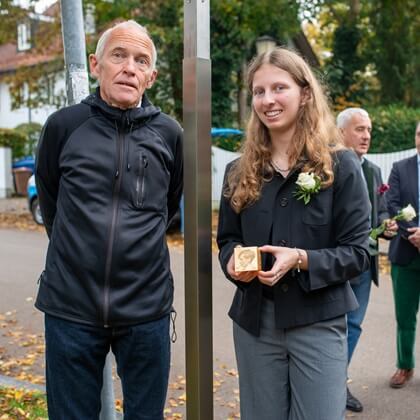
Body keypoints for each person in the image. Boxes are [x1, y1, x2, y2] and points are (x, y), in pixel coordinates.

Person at [35, 20, 183, 419]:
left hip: (146, 309)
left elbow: (169, 208)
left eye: (141, 60)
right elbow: (52, 203)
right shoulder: (64, 127)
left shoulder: (169, 134)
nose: (129, 67)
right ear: (96, 64)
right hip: (71, 308)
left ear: (151, 76)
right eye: (119, 55)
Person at [217, 47, 370, 420]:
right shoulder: (239, 170)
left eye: (278, 88)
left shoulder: (341, 165)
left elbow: (359, 253)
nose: (267, 100)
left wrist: (302, 259)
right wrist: (233, 261)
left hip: (318, 320)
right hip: (255, 324)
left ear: (304, 94)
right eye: (258, 91)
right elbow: (227, 240)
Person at [336, 108, 398, 412]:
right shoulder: (328, 166)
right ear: (341, 133)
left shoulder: (373, 170)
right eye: (359, 129)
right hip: (336, 264)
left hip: (366, 264)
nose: (366, 136)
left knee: (354, 326)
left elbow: (381, 209)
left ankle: (338, 382)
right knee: (336, 327)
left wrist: (387, 224)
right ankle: (330, 386)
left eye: (369, 129)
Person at [387, 121, 420, 389]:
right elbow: (392, 204)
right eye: (419, 133)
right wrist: (414, 234)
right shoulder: (400, 168)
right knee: (405, 316)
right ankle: (404, 365)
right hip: (405, 254)